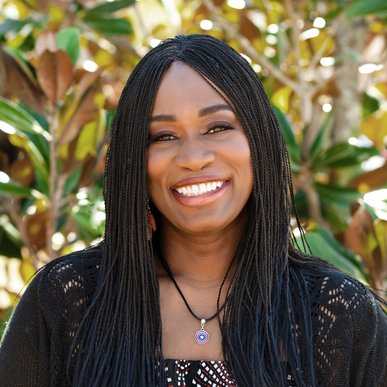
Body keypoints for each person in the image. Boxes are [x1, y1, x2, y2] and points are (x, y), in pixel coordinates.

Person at [0, 34, 386, 387]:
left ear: (259, 140)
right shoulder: (68, 301)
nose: (194, 158)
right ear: (134, 161)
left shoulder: (337, 315)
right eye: (163, 136)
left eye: (217, 127)